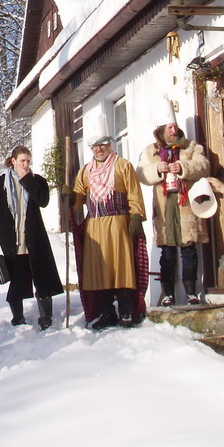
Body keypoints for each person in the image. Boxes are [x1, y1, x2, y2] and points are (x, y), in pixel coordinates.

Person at [70, 129, 148, 329]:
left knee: (121, 268)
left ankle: (126, 311)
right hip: (95, 226)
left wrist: (136, 216)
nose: (99, 149)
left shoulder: (123, 166)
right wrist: (72, 197)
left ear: (110, 144)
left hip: (118, 224)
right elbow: (79, 195)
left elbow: (134, 193)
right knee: (100, 270)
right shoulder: (86, 171)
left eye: (102, 144)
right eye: (95, 146)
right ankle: (106, 312)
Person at [0, 145, 63, 330]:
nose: (26, 164)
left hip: (34, 238)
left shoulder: (37, 181)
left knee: (41, 275)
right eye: (22, 161)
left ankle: (46, 316)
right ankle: (17, 317)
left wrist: (27, 179)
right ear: (13, 161)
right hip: (12, 239)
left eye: (28, 161)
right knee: (17, 277)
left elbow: (43, 201)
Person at [137, 113, 210, 306]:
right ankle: (168, 293)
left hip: (185, 205)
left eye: (175, 126)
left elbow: (204, 165)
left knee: (189, 249)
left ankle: (191, 292)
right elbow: (141, 174)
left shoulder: (191, 147)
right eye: (169, 127)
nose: (174, 129)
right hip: (164, 208)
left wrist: (183, 166)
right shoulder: (151, 151)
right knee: (167, 252)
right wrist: (157, 169)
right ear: (161, 130)